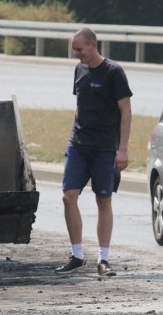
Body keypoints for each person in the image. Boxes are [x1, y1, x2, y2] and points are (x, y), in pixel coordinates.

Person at [56, 27, 132, 277]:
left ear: (92, 45)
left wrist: (122, 149)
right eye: (74, 50)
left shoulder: (113, 72)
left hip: (105, 148)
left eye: (79, 49)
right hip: (79, 145)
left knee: (103, 200)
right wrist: (73, 134)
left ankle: (104, 259)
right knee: (69, 196)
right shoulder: (79, 70)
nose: (76, 54)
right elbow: (79, 105)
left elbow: (126, 111)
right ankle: (77, 255)